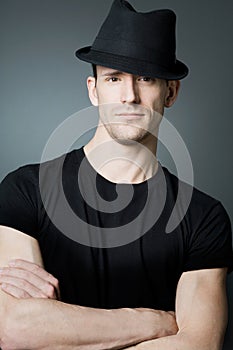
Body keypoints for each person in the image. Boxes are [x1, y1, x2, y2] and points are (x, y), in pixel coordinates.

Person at [0, 0, 233, 349]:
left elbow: (199, 344)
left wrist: (59, 335)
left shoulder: (203, 216)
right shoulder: (26, 191)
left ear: (171, 92)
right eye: (113, 78)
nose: (129, 96)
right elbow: (16, 330)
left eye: (146, 79)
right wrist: (152, 322)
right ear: (94, 90)